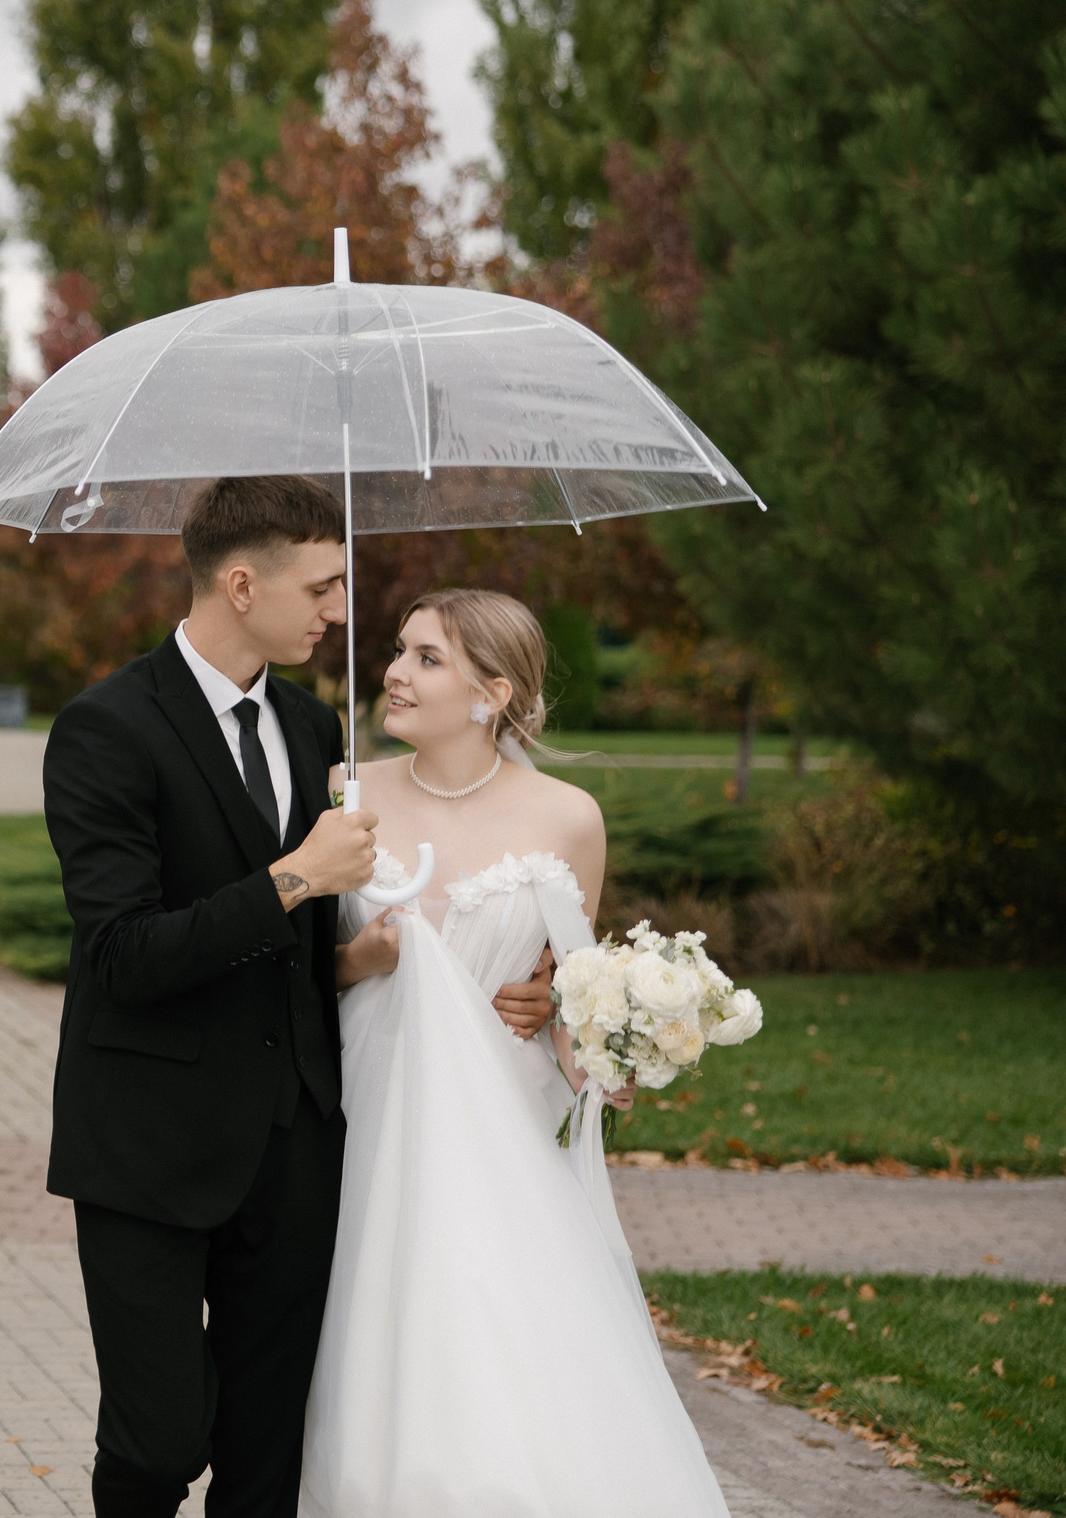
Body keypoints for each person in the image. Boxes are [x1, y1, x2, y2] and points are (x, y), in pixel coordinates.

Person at [41, 479, 557, 1518]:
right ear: (241, 584)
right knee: (156, 1442)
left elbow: (314, 942)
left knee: (266, 1452)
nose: (334, 610)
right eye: (320, 587)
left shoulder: (315, 728)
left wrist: (381, 960)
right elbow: (120, 958)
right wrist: (292, 878)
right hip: (148, 1144)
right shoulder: (104, 729)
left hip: (296, 1142)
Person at [297, 588, 729, 1517]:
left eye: (426, 658)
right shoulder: (345, 789)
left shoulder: (569, 817)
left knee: (493, 1336)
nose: (394, 673)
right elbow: (289, 968)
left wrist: (607, 1050)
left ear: (491, 694)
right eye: (400, 651)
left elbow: (573, 986)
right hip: (365, 1108)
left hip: (505, 1120)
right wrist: (355, 958)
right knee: (374, 1334)